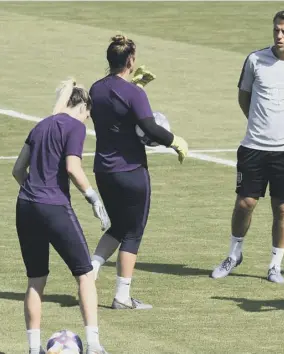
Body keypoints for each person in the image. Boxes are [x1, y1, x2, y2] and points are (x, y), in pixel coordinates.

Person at [210, 9, 284, 283]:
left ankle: (275, 265)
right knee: (245, 202)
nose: (279, 35)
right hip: (253, 146)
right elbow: (244, 96)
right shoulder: (255, 60)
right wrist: (260, 123)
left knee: (282, 207)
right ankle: (234, 255)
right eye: (276, 30)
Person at [88, 35, 189, 309]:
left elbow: (114, 108)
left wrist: (133, 87)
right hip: (131, 171)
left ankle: (90, 271)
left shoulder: (95, 89)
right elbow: (149, 128)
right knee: (133, 232)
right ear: (131, 61)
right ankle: (122, 296)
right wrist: (175, 140)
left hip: (103, 170)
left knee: (118, 226)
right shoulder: (134, 94)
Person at [12, 79, 110, 354]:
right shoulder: (75, 126)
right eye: (88, 115)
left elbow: (18, 170)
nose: (87, 121)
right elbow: (72, 167)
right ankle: (93, 345)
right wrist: (94, 198)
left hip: (26, 205)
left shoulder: (40, 125)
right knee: (85, 274)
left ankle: (34, 349)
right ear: (82, 107)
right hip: (54, 206)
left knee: (36, 279)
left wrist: (35, 192)